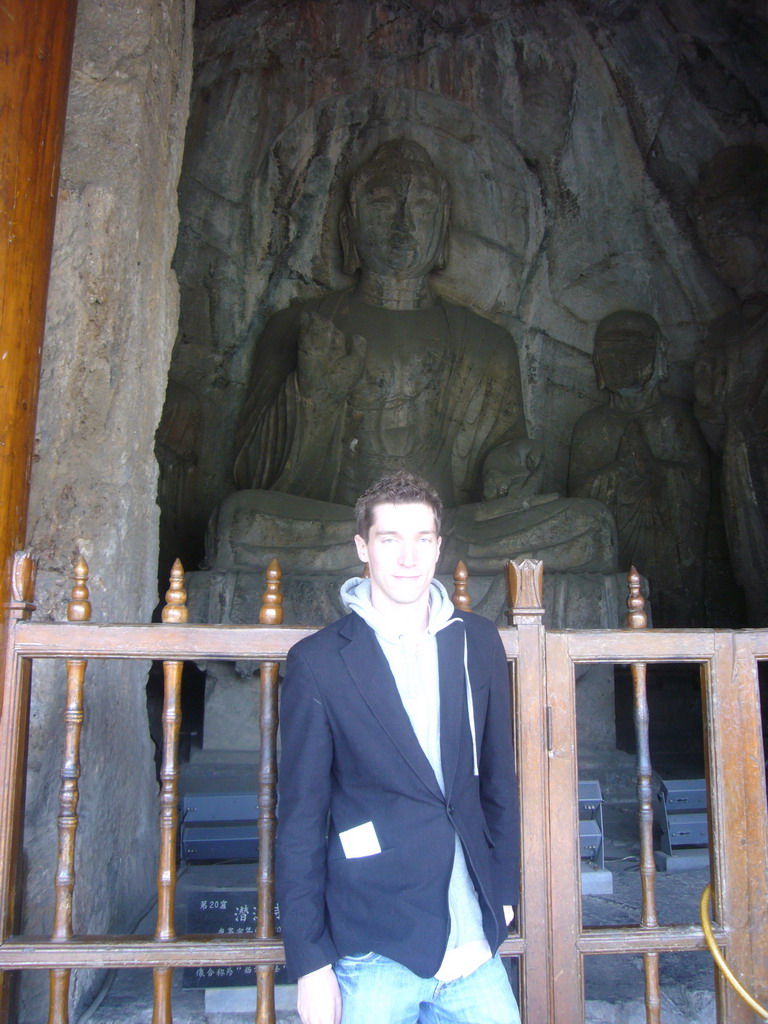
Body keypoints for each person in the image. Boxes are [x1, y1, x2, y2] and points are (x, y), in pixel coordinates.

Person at [207, 139, 616, 577]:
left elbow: (499, 473)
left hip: (450, 526)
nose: (402, 223)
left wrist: (507, 471)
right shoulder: (302, 326)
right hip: (344, 526)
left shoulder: (486, 342)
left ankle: (414, 552)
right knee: (239, 520)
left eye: (420, 206)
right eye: (381, 203)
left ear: (443, 226)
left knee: (588, 526)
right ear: (349, 225)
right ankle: (403, 553)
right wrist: (314, 398)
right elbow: (255, 475)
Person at [275, 470, 521, 1024]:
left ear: (439, 546)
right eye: (390, 539)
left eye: (422, 539)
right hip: (375, 948)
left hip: (473, 947)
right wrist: (310, 964)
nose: (408, 557)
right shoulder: (319, 661)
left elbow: (499, 779)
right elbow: (301, 819)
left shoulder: (476, 641)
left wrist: (504, 892)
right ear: (362, 546)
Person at [568, 310, 710, 626]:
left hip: (668, 547)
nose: (622, 358)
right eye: (611, 349)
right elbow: (578, 502)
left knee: (675, 617)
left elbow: (698, 486)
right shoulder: (592, 426)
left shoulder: (674, 417)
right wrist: (618, 472)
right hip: (617, 546)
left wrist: (655, 469)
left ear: (658, 353)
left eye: (634, 347)